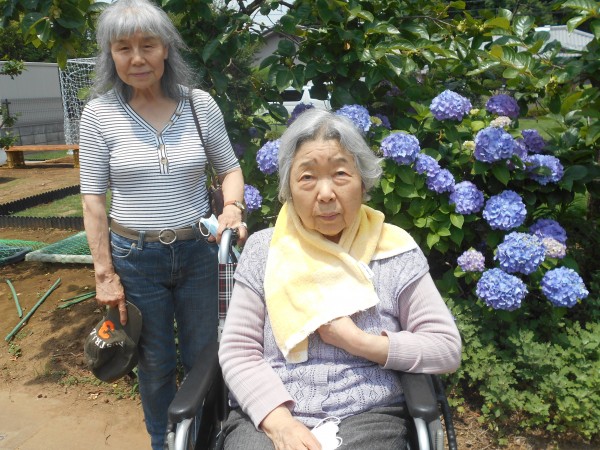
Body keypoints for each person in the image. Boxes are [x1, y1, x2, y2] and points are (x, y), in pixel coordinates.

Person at [218, 108, 462, 450]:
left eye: (340, 174)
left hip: (369, 415)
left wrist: (357, 342)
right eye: (307, 177)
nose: (326, 193)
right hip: (271, 413)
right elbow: (238, 351)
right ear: (289, 189)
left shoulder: (394, 251)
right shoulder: (265, 250)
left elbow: (445, 348)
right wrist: (281, 424)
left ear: (363, 182)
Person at [78, 0, 247, 448]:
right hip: (136, 259)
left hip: (199, 252)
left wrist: (232, 209)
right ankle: (164, 442)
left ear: (166, 49)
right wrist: (104, 274)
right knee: (154, 364)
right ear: (110, 54)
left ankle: (206, 439)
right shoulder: (99, 114)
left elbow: (229, 168)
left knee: (204, 356)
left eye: (148, 45)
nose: (137, 58)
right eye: (123, 48)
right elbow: (93, 200)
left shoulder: (199, 105)